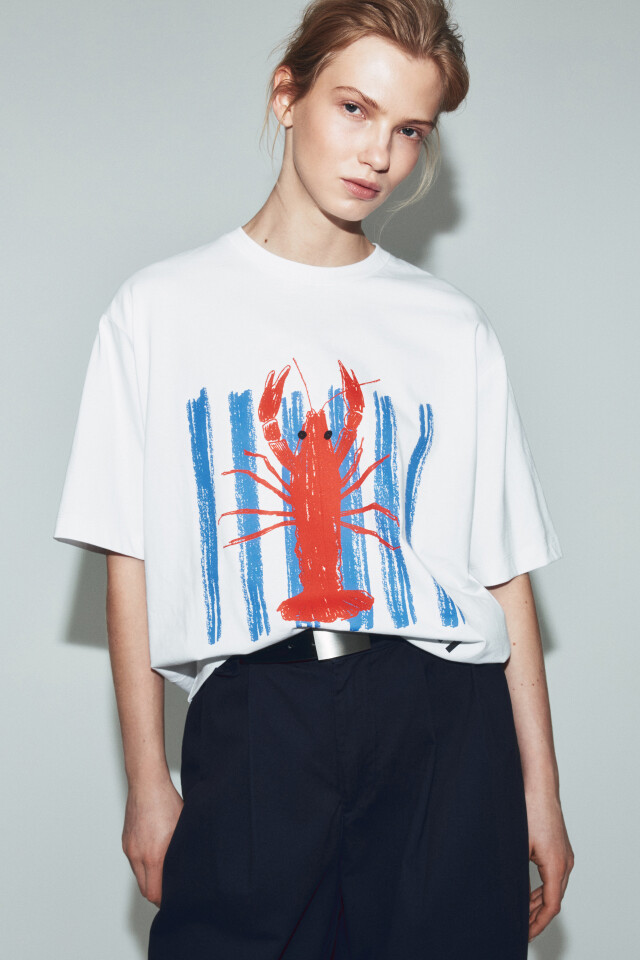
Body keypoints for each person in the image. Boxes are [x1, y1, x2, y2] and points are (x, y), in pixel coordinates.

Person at [53, 1, 574, 957]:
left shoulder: (450, 324)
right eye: (355, 108)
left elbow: (503, 573)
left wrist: (541, 791)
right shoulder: (157, 308)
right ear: (286, 94)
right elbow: (128, 556)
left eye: (410, 130)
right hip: (258, 715)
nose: (378, 153)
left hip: (440, 715)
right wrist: (147, 780)